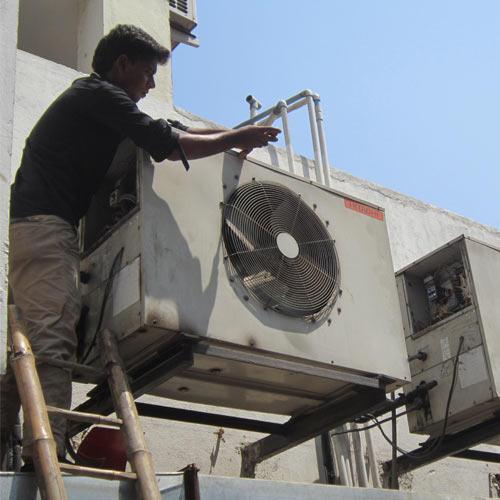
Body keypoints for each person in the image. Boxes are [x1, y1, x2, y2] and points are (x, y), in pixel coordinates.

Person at [0, 24, 280, 469]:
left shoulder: (98, 108)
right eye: (148, 72)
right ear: (122, 64)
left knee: (28, 349)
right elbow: (165, 144)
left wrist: (222, 143)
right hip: (47, 229)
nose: (151, 83)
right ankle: (45, 453)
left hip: (35, 228)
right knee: (54, 341)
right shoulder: (98, 94)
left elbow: (164, 130)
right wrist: (235, 138)